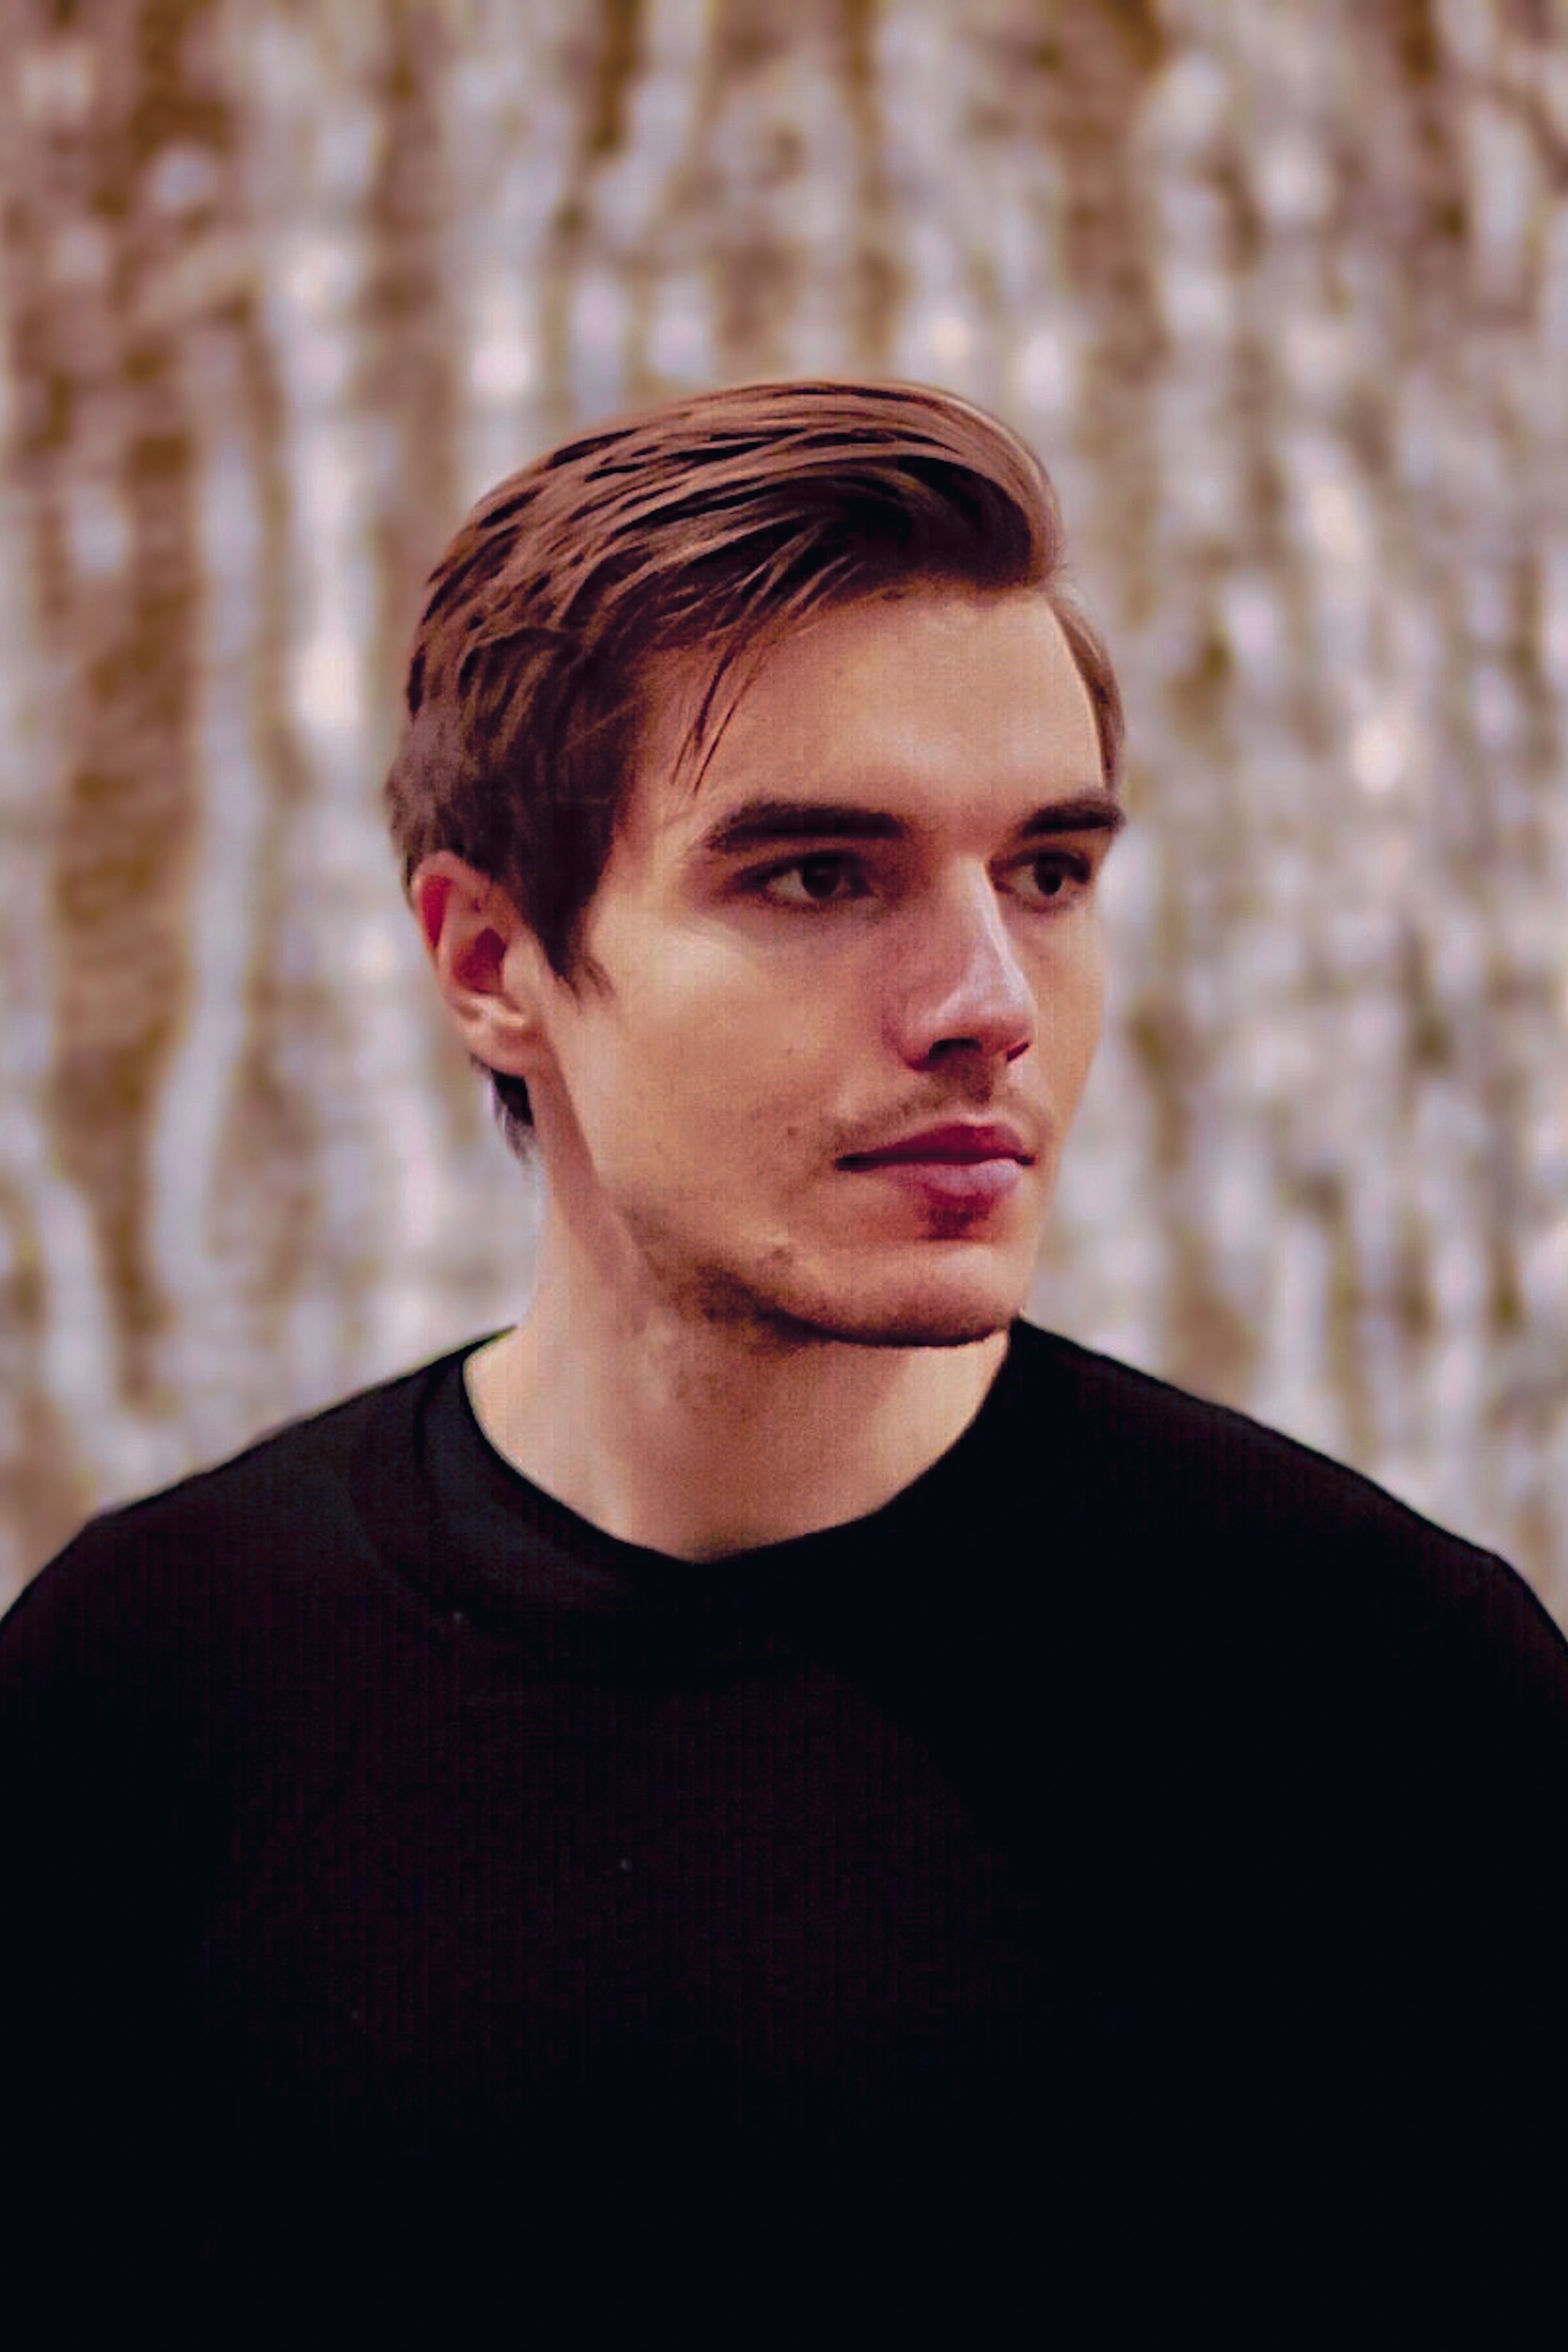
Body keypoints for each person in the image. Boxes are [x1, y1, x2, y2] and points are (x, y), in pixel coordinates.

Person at [4, 377, 1565, 2330]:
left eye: (1047, 871)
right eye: (818, 876)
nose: (986, 1003)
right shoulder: (143, 1679)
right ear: (489, 962)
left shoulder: (1387, 1697)